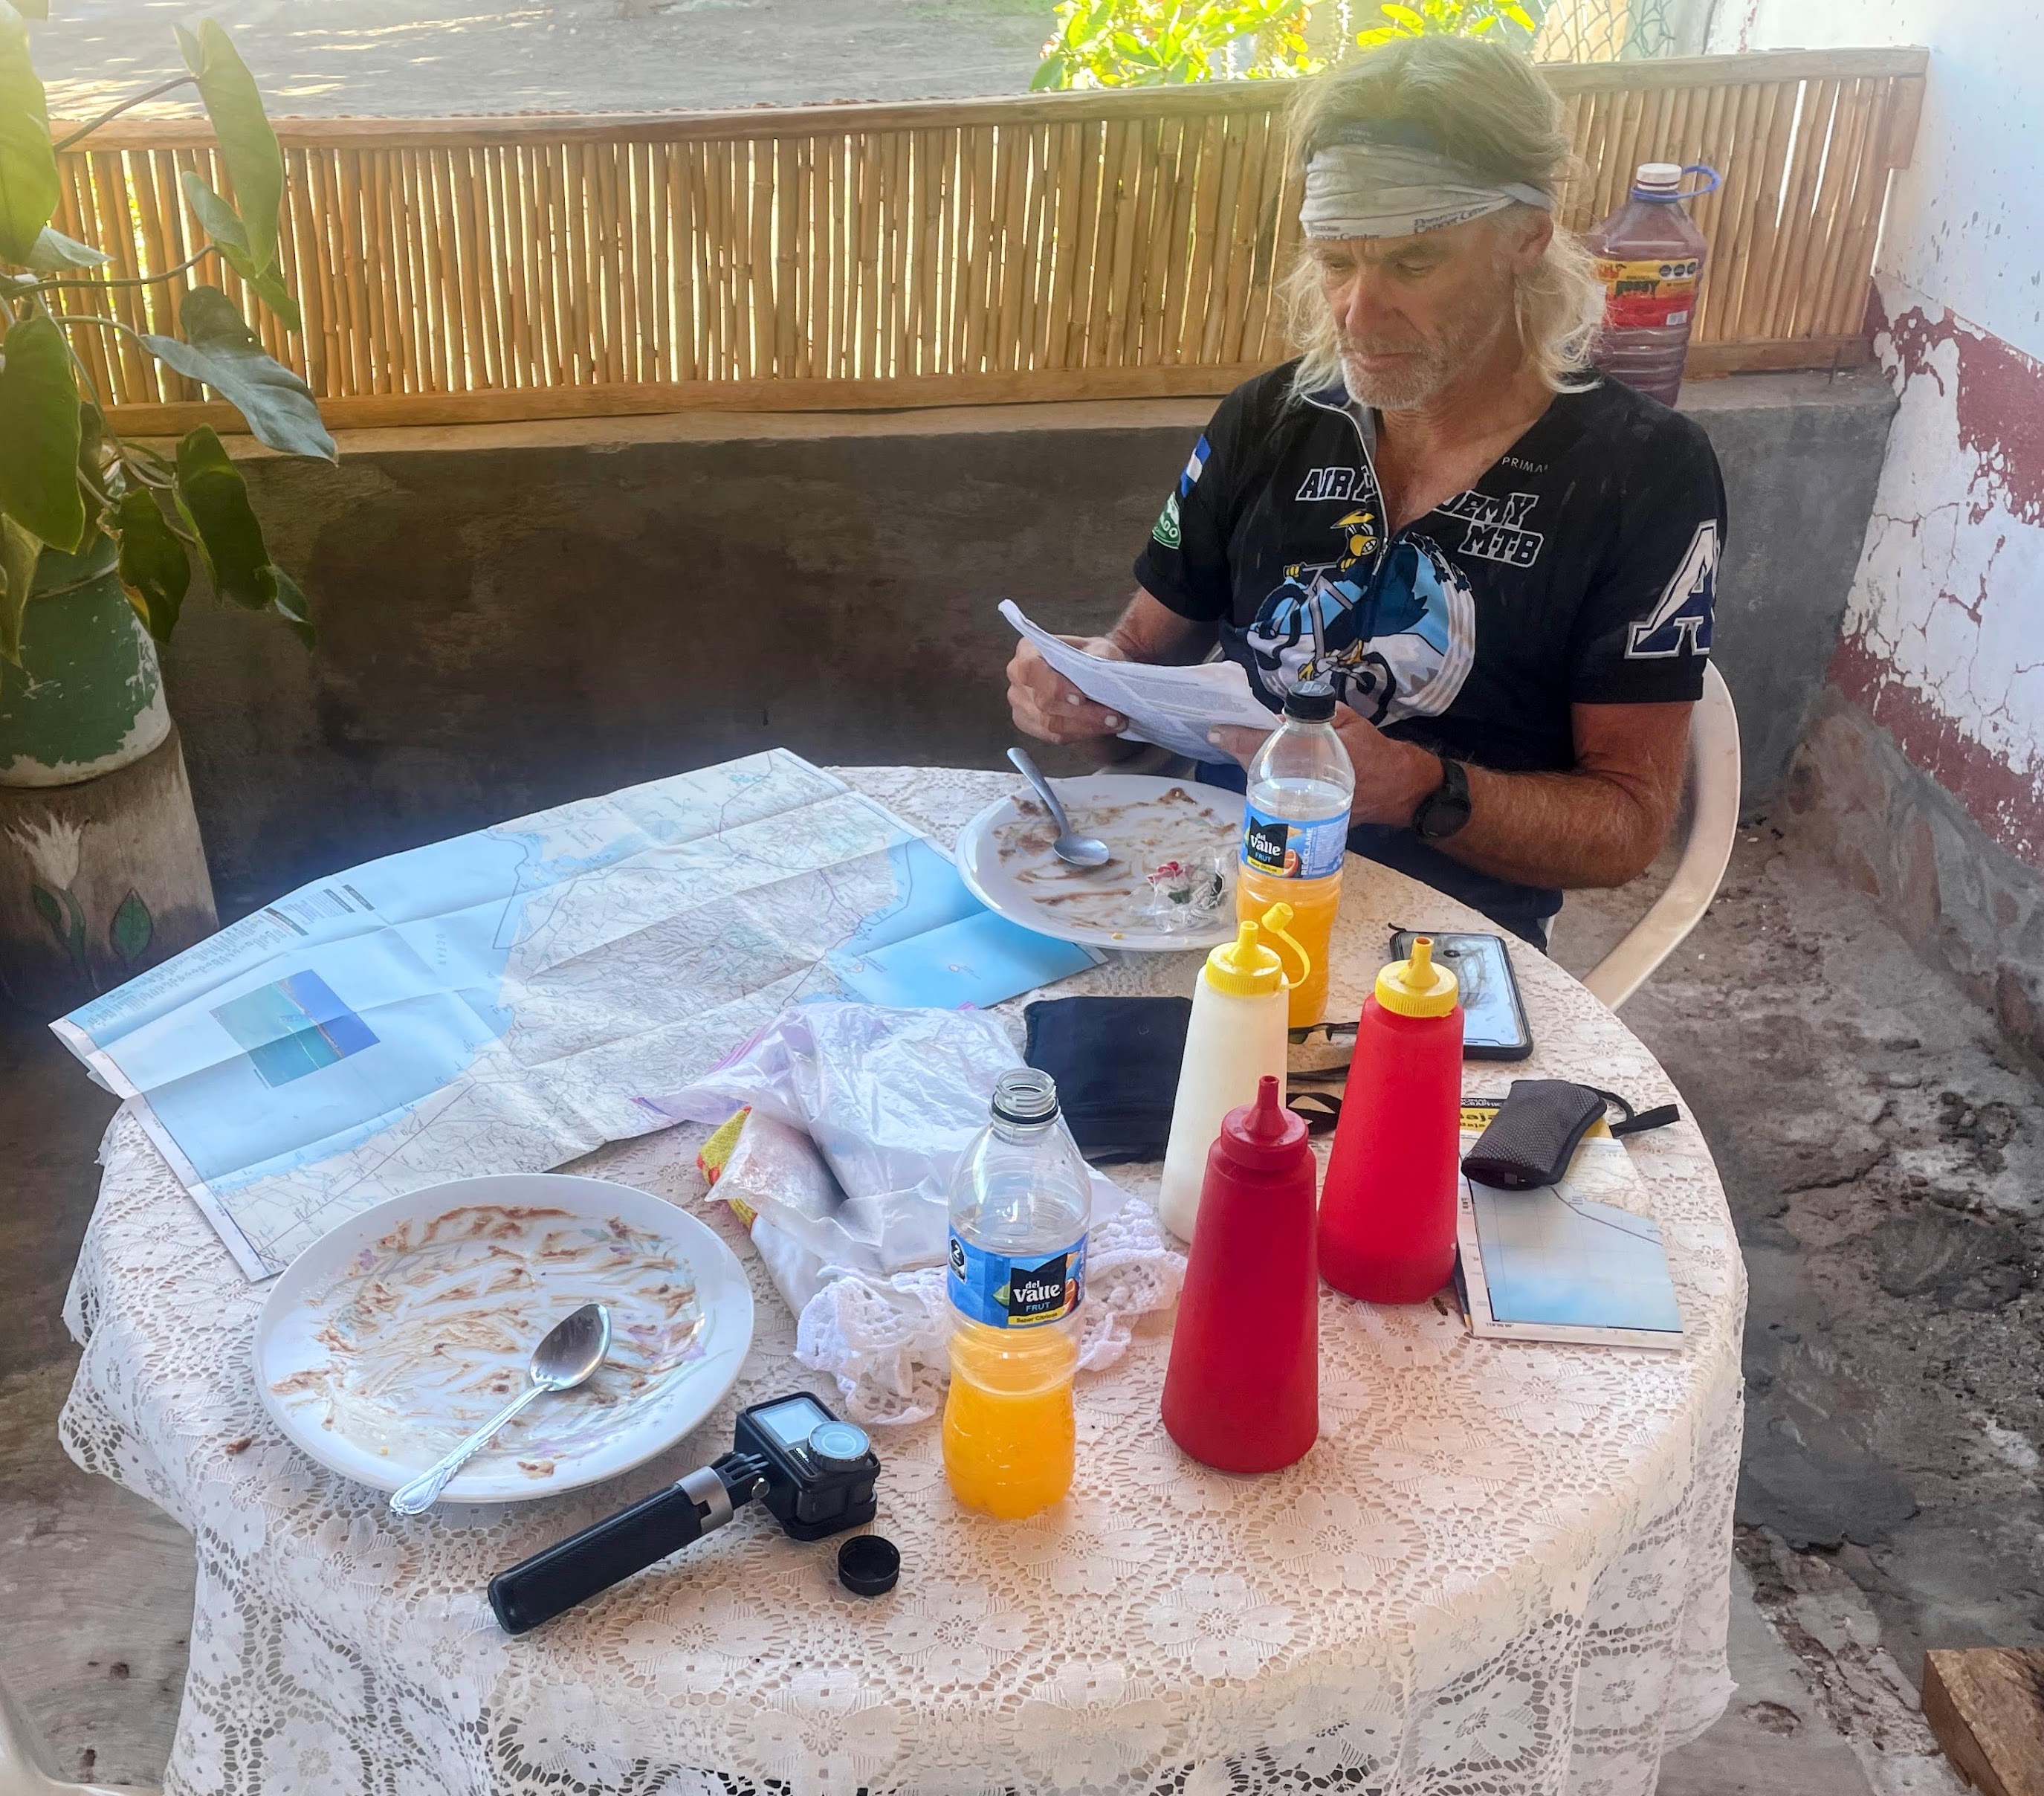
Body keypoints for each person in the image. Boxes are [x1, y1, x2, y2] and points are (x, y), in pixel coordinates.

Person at [1005, 34, 1726, 948]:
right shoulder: (1269, 418)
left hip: (1436, 944)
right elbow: (1137, 662)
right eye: (1335, 261)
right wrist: (1082, 687)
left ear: (1525, 240)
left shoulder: (1639, 470)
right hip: (1193, 888)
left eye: (1413, 263)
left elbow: (1625, 826)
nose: (1356, 311)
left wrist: (1421, 789)